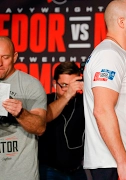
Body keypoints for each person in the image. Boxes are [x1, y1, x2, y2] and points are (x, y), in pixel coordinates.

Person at [82, 0, 126, 180]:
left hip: (124, 164)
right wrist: (123, 162)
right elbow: (102, 110)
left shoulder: (119, 55)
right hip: (111, 165)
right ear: (121, 22)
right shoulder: (108, 55)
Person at [0, 36, 47, 180]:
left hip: (20, 175)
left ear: (14, 57)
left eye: (5, 57)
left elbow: (40, 128)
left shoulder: (30, 85)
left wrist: (20, 113)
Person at [38, 62, 87, 180]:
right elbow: (45, 117)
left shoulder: (83, 101)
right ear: (55, 84)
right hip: (50, 170)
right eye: (64, 85)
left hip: (78, 170)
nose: (68, 89)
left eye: (72, 85)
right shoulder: (45, 100)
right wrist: (68, 94)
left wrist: (89, 92)